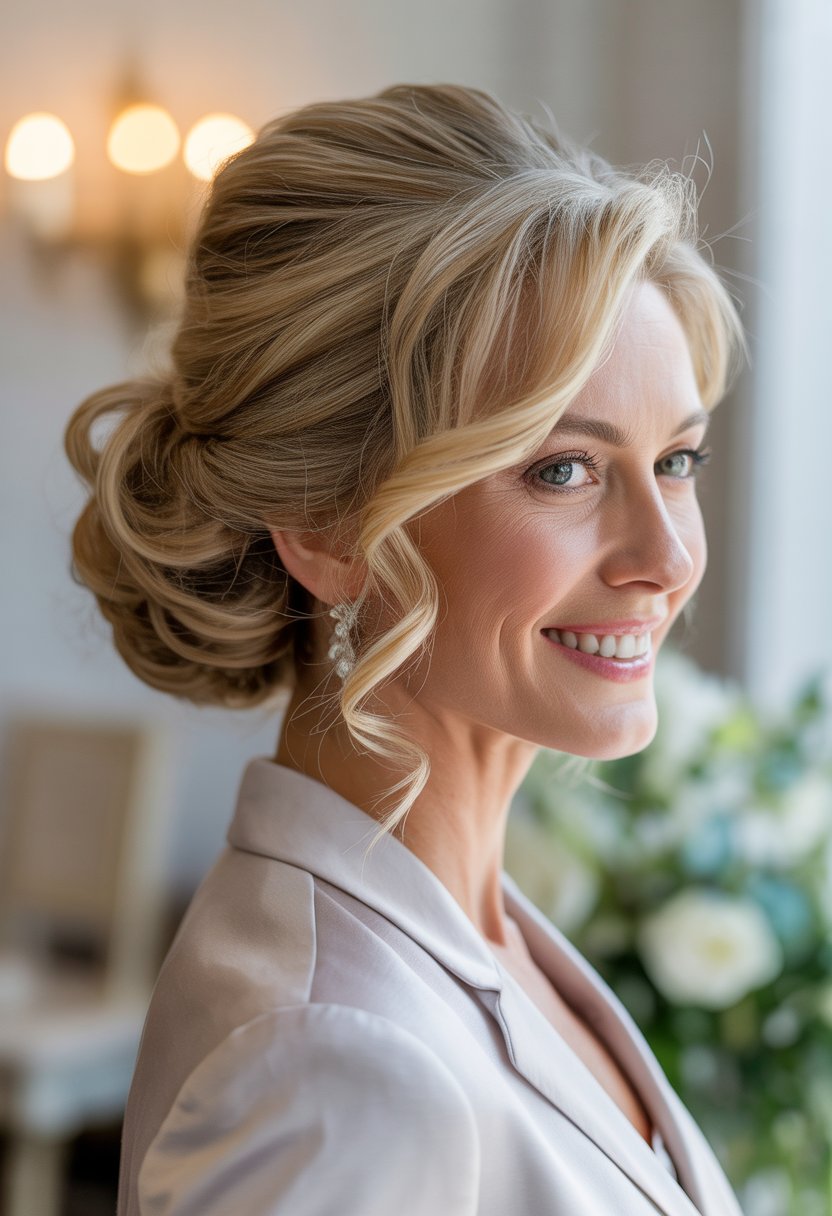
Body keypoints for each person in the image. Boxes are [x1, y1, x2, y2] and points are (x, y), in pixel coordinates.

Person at [64, 83, 747, 1215]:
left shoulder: (473, 934)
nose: (666, 557)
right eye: (562, 469)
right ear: (329, 530)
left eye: (676, 460)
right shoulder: (333, 1068)